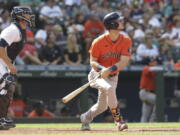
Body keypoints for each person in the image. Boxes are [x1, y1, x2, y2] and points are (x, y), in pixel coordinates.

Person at [80, 12, 132, 131]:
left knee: (102, 106)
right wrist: (102, 69)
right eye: (119, 21)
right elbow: (92, 61)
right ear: (112, 24)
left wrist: (110, 69)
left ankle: (85, 118)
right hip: (97, 74)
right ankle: (119, 121)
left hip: (113, 75)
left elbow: (124, 61)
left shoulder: (126, 40)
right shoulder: (98, 41)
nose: (122, 22)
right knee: (109, 88)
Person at [0, 6, 35, 130]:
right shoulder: (12, 30)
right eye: (26, 14)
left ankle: (1, 118)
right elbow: (0, 47)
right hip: (1, 61)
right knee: (6, 84)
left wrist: (10, 65)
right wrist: (9, 65)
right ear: (19, 16)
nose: (29, 16)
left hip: (5, 62)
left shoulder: (22, 29)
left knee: (8, 90)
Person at [139, 57, 158, 122]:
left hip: (150, 93)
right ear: (149, 63)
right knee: (159, 101)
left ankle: (142, 127)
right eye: (153, 61)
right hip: (145, 93)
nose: (155, 62)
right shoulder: (146, 68)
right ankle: (152, 121)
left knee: (145, 115)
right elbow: (150, 70)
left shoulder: (154, 70)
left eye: (155, 61)